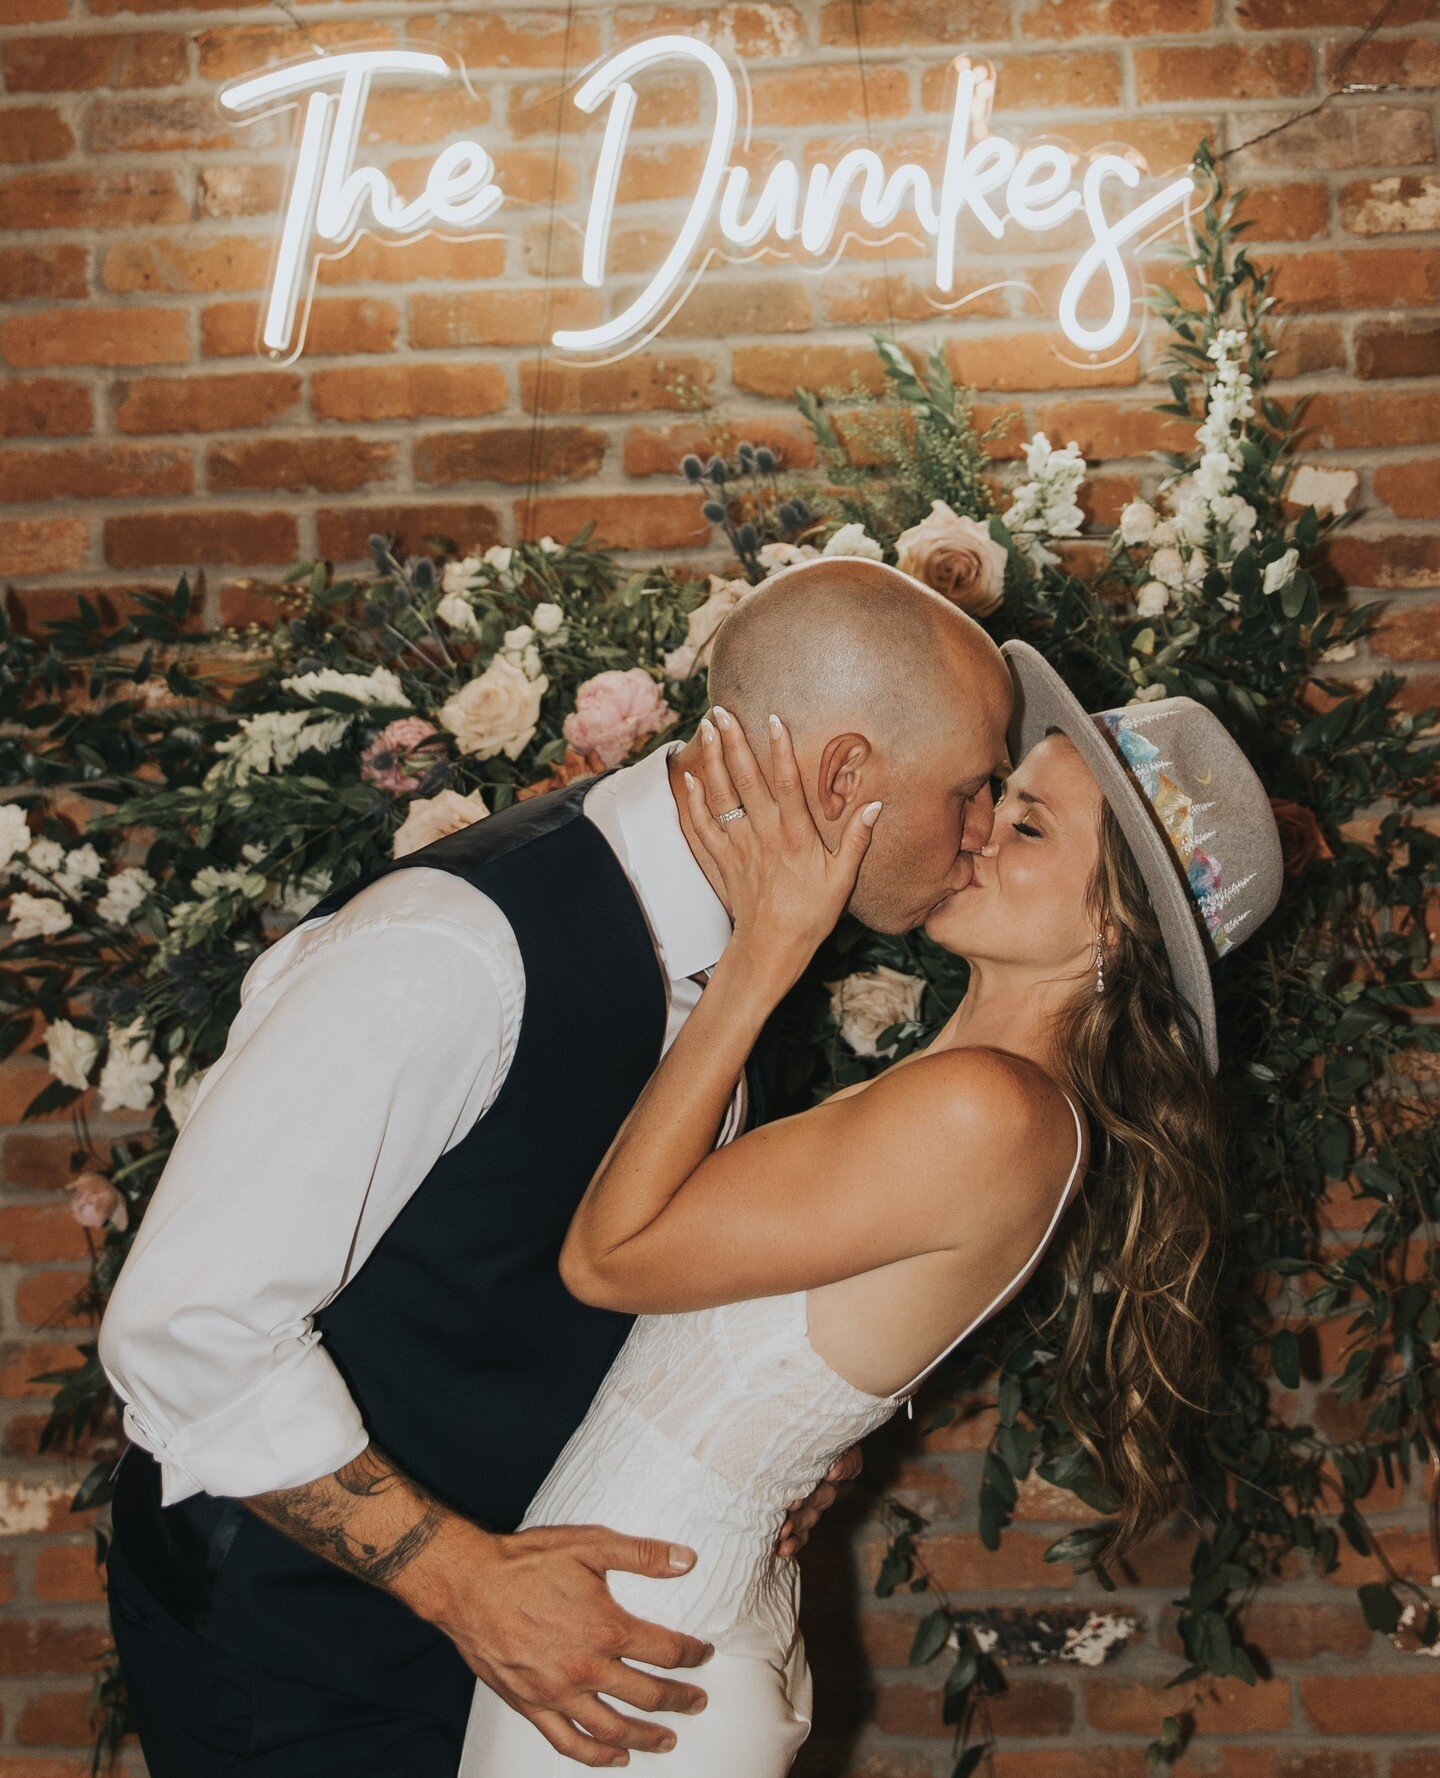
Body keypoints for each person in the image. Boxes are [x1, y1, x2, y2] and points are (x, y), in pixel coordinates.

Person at [96, 557, 1014, 1776]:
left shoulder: (744, 952)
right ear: (846, 776)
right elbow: (182, 1326)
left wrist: (769, 1445)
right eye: (976, 786)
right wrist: (460, 1578)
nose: (988, 825)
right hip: (302, 1653)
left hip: (515, 1653)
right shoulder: (454, 949)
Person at [460, 638, 1283, 1775]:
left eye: (1031, 825)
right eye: (1000, 797)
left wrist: (764, 951)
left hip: (642, 1661)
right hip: (649, 1630)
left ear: (1113, 929)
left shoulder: (983, 1108)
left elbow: (607, 1259)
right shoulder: (990, 1097)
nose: (981, 826)